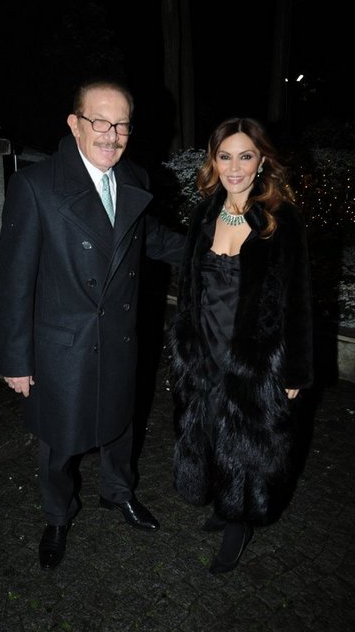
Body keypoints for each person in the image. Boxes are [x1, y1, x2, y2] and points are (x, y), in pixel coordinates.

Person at [0, 78, 185, 571]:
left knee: (120, 424)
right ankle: (57, 516)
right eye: (99, 121)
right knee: (59, 441)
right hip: (63, 346)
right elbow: (15, 280)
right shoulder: (35, 186)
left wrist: (218, 246)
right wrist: (15, 359)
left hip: (118, 335)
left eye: (121, 124)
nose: (111, 134)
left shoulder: (134, 177)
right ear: (74, 124)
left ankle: (117, 492)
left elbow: (152, 239)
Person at [169, 117, 313, 574]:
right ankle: (223, 501)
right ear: (213, 161)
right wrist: (183, 345)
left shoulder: (281, 220)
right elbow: (188, 288)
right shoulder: (204, 214)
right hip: (204, 349)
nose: (234, 168)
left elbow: (299, 300)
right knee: (210, 428)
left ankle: (240, 521)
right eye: (224, 156)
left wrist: (296, 370)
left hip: (254, 356)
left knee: (249, 441)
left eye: (245, 156)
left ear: (262, 161)